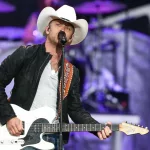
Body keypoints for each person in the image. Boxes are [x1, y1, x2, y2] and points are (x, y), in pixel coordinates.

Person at [0, 5, 112, 150]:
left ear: (71, 38)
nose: (63, 29)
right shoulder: (26, 54)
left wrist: (97, 127)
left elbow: (75, 110)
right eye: (58, 24)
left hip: (53, 139)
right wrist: (9, 116)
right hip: (20, 135)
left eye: (68, 28)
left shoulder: (72, 72)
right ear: (47, 29)